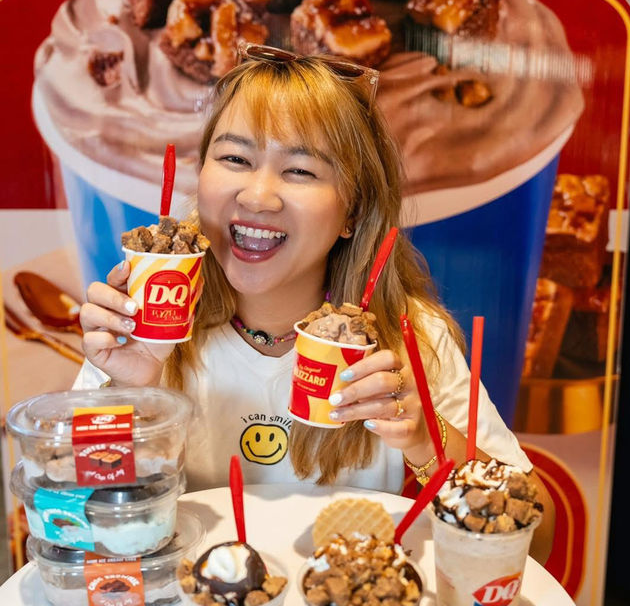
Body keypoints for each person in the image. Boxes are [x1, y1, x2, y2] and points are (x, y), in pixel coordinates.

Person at [75, 42, 555, 562]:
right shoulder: (140, 324)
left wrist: (427, 439)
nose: (257, 196)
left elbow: (539, 539)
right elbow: (71, 526)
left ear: (353, 211)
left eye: (300, 170)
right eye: (235, 158)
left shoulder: (410, 339)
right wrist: (131, 392)